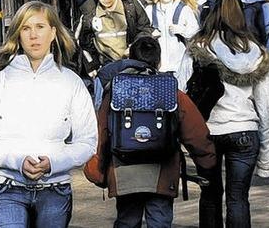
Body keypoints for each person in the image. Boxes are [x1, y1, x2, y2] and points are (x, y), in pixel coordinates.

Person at [0, 1, 98, 228]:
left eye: (40, 27)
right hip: (5, 188)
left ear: (53, 33)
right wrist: (17, 161)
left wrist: (53, 163)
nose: (33, 36)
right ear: (18, 35)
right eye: (26, 29)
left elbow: (87, 141)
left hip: (55, 190)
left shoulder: (71, 82)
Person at [84, 37, 216, 228]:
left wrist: (97, 171)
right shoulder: (171, 91)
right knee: (160, 222)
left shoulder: (116, 91)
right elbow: (195, 131)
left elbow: (101, 133)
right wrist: (208, 163)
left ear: (131, 57)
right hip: (162, 173)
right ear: (159, 61)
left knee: (127, 221)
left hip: (124, 173)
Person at [175, 0, 269, 228]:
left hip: (206, 131)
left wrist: (180, 136)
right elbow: (268, 109)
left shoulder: (198, 48)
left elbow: (180, 92)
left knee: (209, 196)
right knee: (238, 198)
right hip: (244, 130)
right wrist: (267, 157)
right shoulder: (257, 53)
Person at [77, 0, 154, 78]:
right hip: (105, 67)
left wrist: (134, 47)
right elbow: (83, 42)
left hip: (132, 66)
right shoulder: (89, 11)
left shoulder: (131, 5)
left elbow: (145, 28)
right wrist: (91, 65)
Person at [146, 0, 200, 72]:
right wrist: (150, 34)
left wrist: (182, 30)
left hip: (180, 66)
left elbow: (196, 32)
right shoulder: (149, 10)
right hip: (157, 67)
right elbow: (142, 31)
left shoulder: (183, 9)